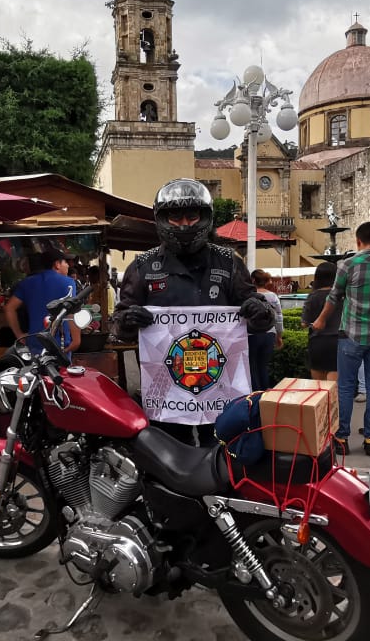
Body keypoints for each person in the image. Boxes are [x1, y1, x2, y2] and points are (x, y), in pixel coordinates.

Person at [112, 178, 271, 446]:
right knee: (168, 462)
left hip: (220, 386)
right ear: (161, 219)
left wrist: (259, 311)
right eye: (174, 217)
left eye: (192, 216)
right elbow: (119, 325)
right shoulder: (143, 265)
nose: (184, 224)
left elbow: (256, 321)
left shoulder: (228, 261)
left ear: (205, 218)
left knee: (225, 456)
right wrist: (128, 320)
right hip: (166, 389)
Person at [310, 221, 370, 457]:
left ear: (358, 241)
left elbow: (334, 297)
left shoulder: (348, 264)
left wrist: (320, 321)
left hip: (351, 335)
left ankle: (342, 438)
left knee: (346, 387)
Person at [4, 248, 81, 356]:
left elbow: (9, 308)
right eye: (65, 262)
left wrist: (19, 335)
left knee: (36, 371)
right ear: (57, 264)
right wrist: (76, 339)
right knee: (61, 372)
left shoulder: (27, 283)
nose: (68, 265)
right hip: (59, 344)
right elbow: (71, 312)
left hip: (34, 343)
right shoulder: (68, 283)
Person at [302, 262, 340, 381]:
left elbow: (304, 323)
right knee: (334, 389)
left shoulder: (312, 296)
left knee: (319, 389)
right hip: (338, 341)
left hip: (317, 342)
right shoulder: (342, 296)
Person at [248, 269, 283, 391]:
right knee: (263, 365)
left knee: (252, 366)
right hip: (269, 334)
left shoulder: (248, 296)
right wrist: (279, 335)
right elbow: (279, 317)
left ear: (252, 280)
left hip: (251, 335)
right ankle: (266, 395)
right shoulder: (273, 296)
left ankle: (255, 396)